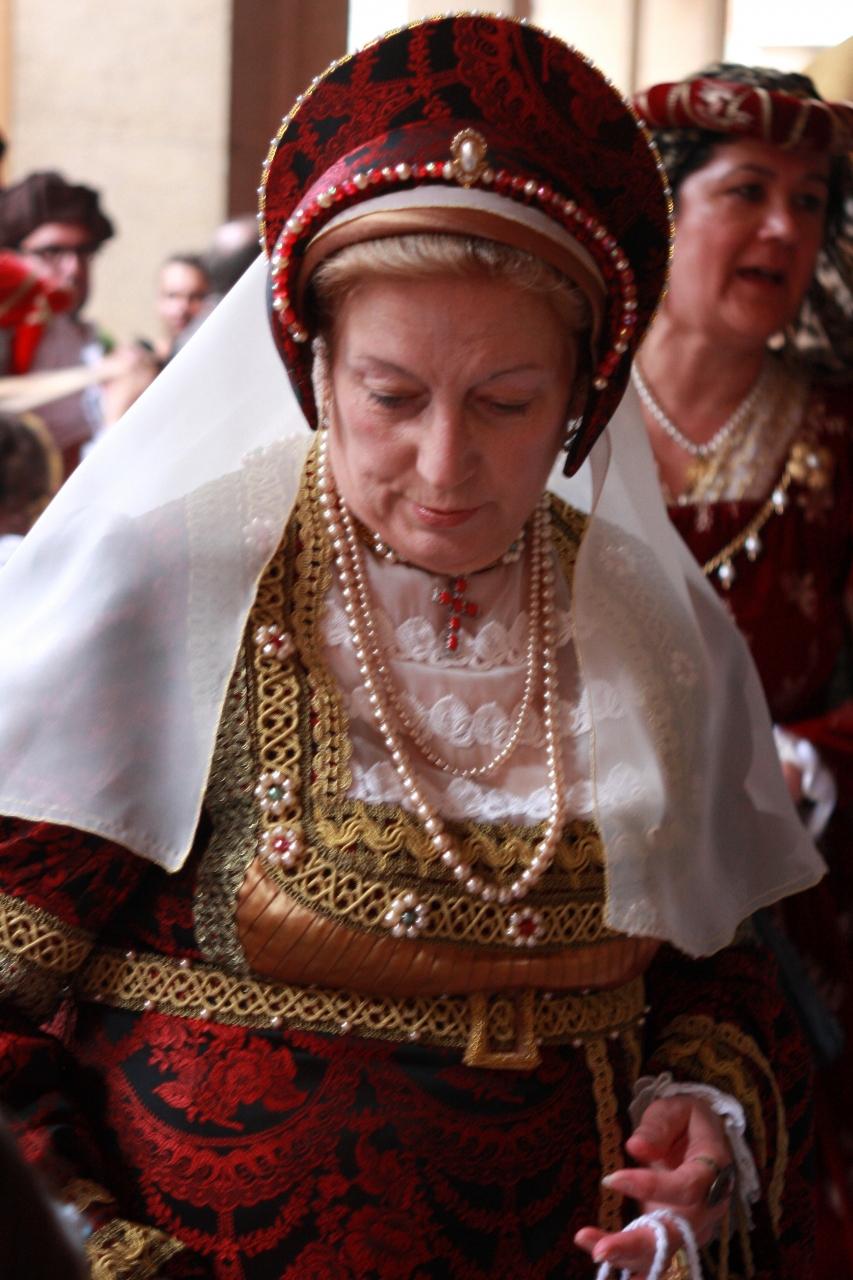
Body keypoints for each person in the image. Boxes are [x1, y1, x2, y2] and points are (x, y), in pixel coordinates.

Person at [0, 17, 825, 1279]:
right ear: (315, 367)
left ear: (584, 394)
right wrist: (106, 1255)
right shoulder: (176, 588)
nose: (445, 465)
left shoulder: (648, 627)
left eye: (507, 402)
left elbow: (725, 972)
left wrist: (706, 1117)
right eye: (391, 395)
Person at [631, 66, 853, 1277]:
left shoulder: (838, 432)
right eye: (748, 191)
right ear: (664, 208)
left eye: (809, 202)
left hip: (786, 890)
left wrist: (812, 753)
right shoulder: (555, 404)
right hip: (578, 867)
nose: (783, 227)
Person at [152, 252, 211, 363]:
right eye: (173, 295)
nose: (183, 307)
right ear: (158, 299)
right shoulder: (151, 362)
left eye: (195, 296)